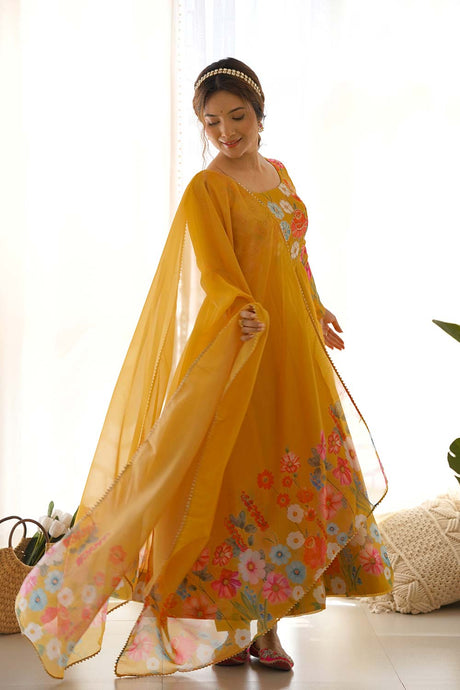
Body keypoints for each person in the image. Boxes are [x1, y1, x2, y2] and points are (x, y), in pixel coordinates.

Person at [15, 58, 393, 678]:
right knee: (234, 485)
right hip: (241, 349)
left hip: (293, 347)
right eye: (212, 122)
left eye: (237, 117)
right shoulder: (206, 188)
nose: (226, 132)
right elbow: (219, 272)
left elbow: (293, 252)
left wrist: (315, 305)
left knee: (287, 482)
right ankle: (232, 630)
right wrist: (243, 311)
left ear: (260, 115)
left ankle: (267, 631)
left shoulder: (280, 174)